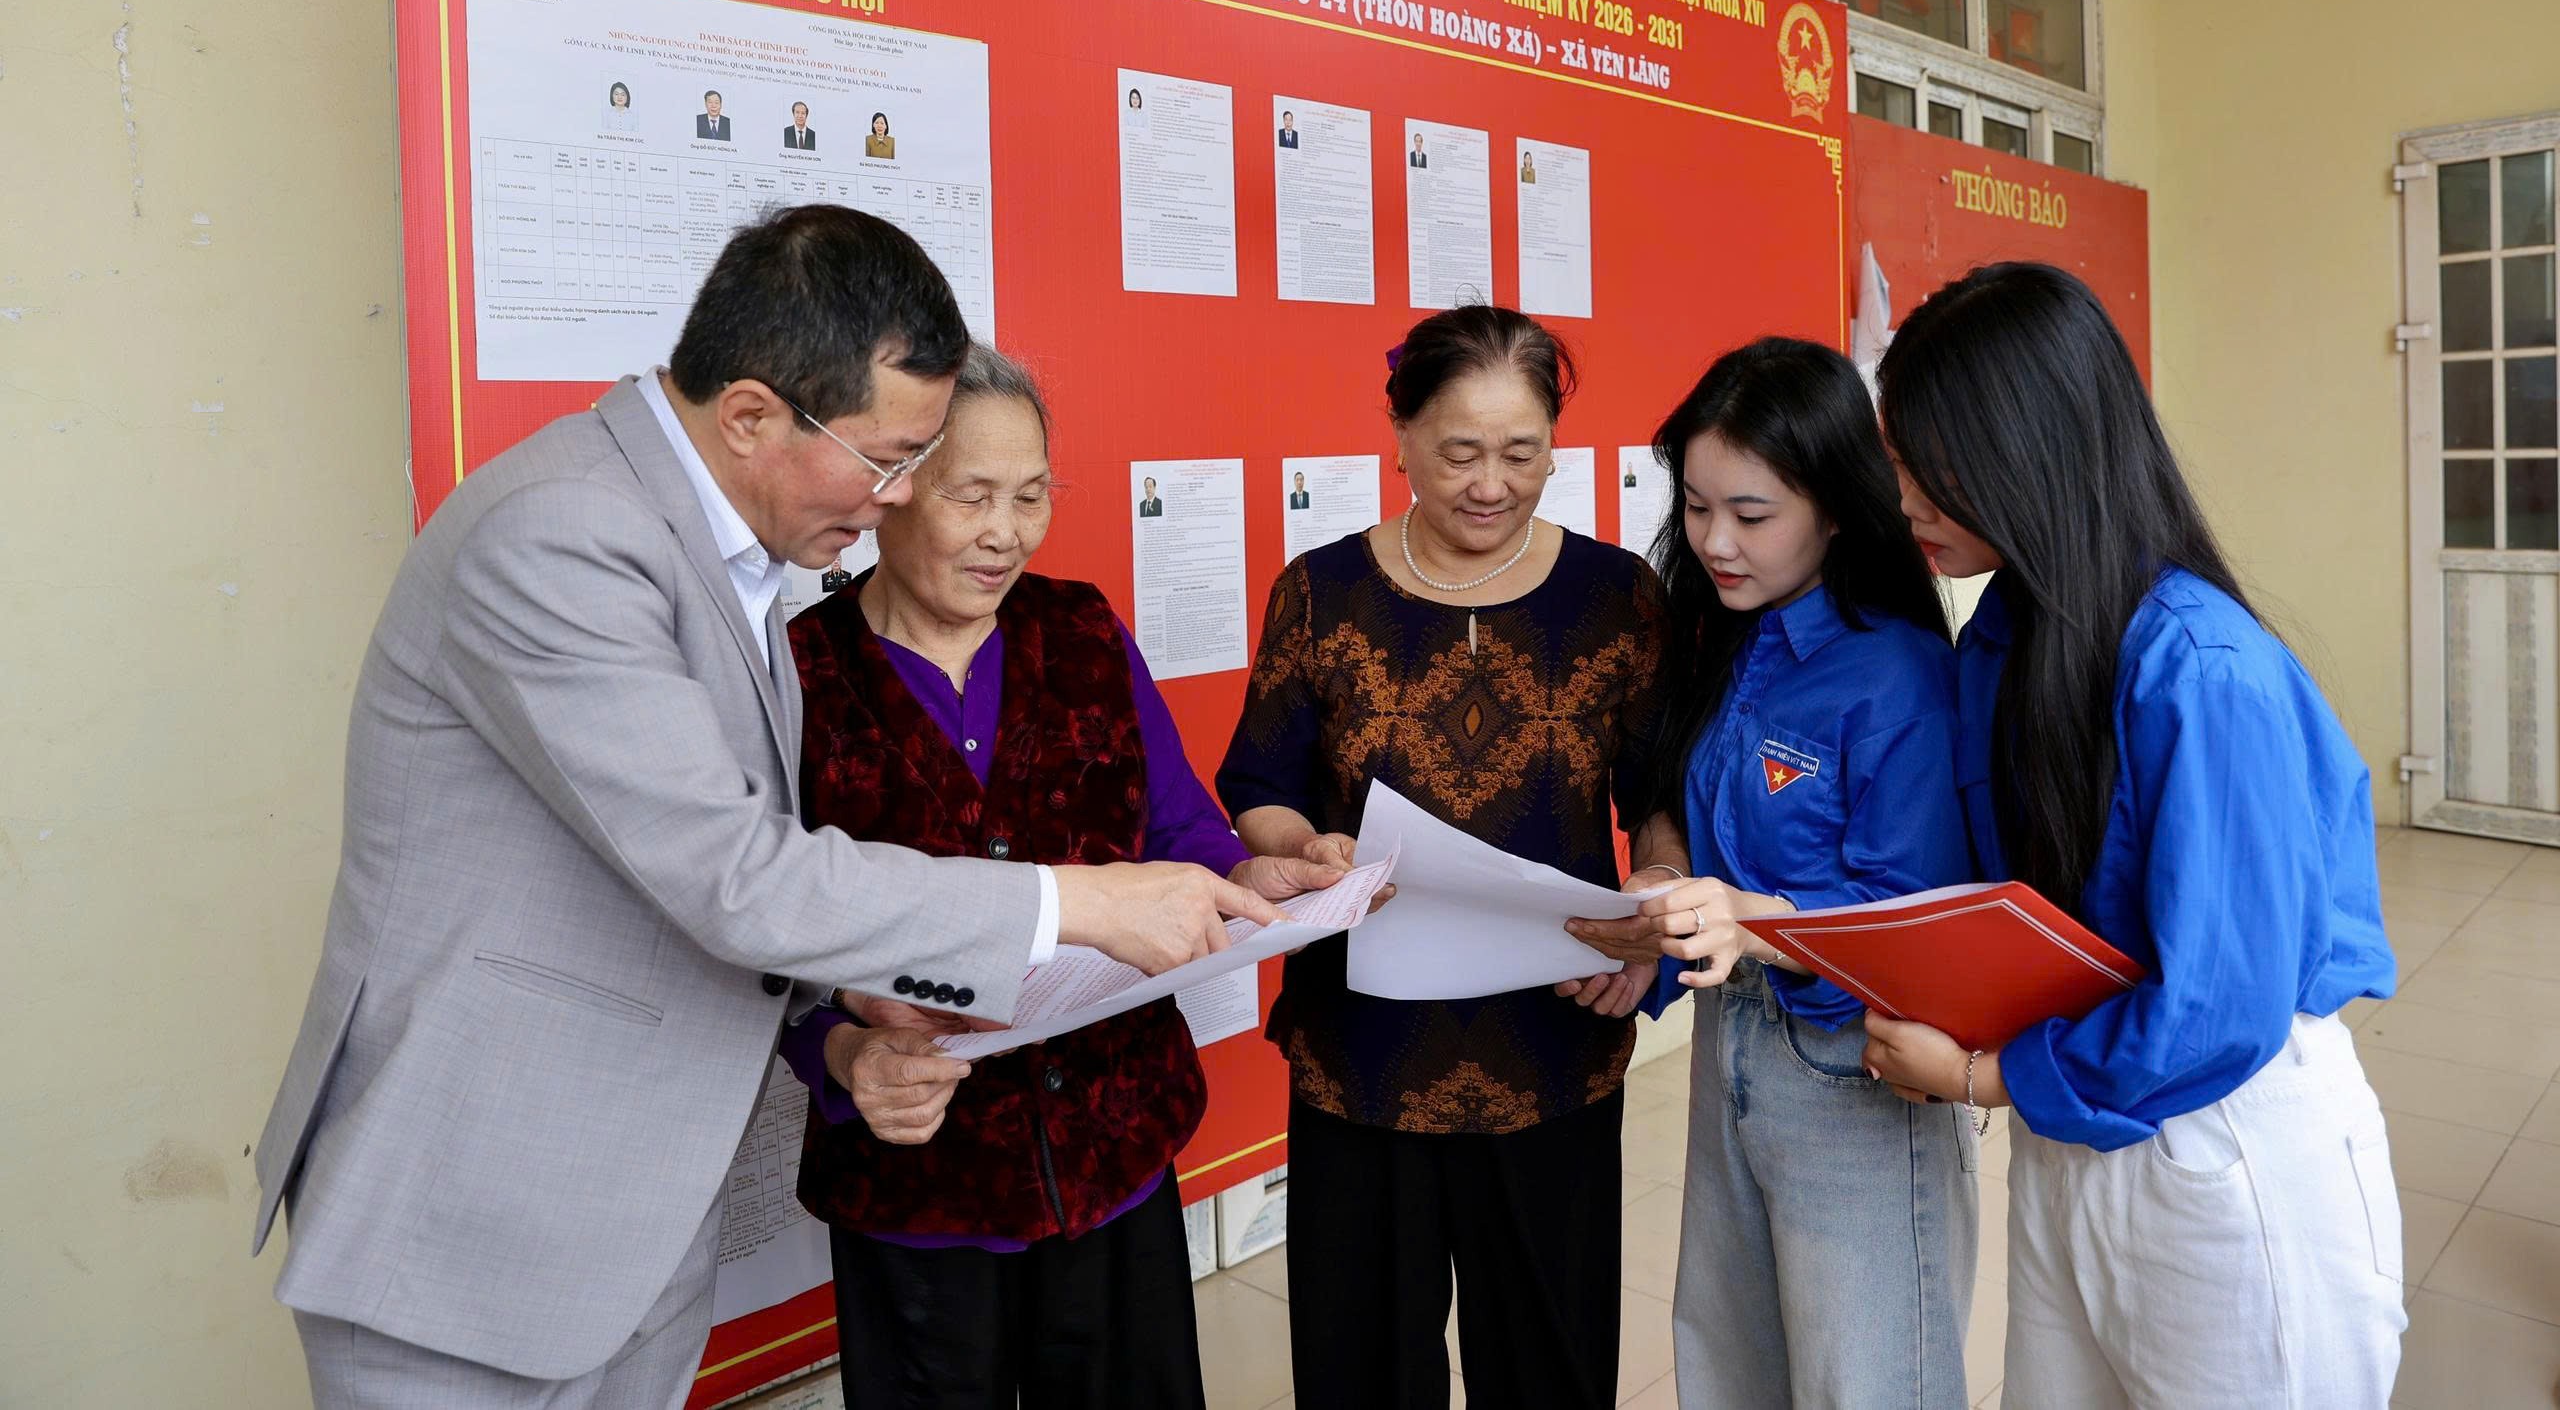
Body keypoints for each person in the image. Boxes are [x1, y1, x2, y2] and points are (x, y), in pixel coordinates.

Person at [252, 206, 1276, 1410]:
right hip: (486, 1207)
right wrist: (1073, 902)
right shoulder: (565, 536)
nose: (897, 500)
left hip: (624, 1210)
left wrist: (857, 1001)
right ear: (749, 415)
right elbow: (738, 872)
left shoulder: (721, 560)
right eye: (895, 462)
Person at [1864, 261, 2403, 1408]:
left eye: (1928, 463)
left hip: (2218, 1138)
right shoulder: (2004, 634)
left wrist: (1980, 1073)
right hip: (2072, 1125)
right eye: (1895, 458)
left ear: (2031, 448)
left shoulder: (2200, 670)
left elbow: (2216, 1009)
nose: (1901, 495)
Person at [776, 345, 1354, 1409]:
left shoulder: (1080, 628)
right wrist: (841, 1049)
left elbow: (1178, 821)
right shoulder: (800, 673)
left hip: (1114, 1143)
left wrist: (1253, 866)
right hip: (920, 1185)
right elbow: (758, 923)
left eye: (1033, 493)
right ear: (892, 486)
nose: (1008, 530)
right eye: (974, 495)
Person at [1220, 305, 1665, 1410]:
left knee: (1549, 1364)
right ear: (1401, 433)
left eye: (1522, 453)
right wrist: (1298, 843)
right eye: (1460, 451)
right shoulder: (1320, 592)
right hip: (1361, 1047)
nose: (1491, 483)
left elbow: (1661, 798)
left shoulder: (1618, 597)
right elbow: (1258, 787)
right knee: (1362, 1363)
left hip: (1554, 1039)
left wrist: (1651, 907)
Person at [1565, 339, 1976, 1410]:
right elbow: (1695, 835)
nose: (1712, 540)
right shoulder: (1719, 638)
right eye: (1695, 505)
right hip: (1733, 1052)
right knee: (1729, 1359)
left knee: (1865, 1376)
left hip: (1860, 1072)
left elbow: (1918, 925)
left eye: (1750, 514)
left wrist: (1755, 916)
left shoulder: (1899, 676)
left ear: (1836, 505)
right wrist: (1653, 927)